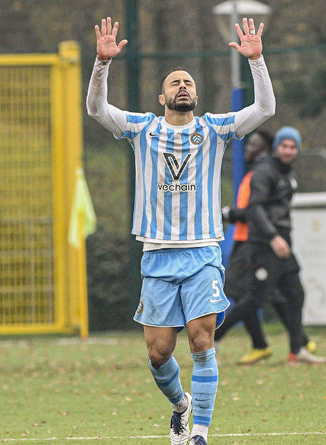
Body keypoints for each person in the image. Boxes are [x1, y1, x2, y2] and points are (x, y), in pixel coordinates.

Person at [86, 16, 274, 445]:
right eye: (174, 82)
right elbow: (96, 110)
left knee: (201, 339)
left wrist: (257, 62)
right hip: (156, 254)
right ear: (162, 96)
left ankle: (201, 433)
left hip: (203, 250)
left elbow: (265, 109)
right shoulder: (141, 128)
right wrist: (102, 64)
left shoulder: (215, 129)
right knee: (158, 353)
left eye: (188, 81)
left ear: (197, 93)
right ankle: (181, 406)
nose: (183, 86)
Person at [216, 126, 326, 365]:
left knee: (295, 293)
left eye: (293, 147)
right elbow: (254, 209)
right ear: (276, 148)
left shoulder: (286, 174)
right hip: (264, 245)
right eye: (285, 146)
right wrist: (273, 236)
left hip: (281, 244)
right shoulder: (264, 173)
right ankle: (211, 339)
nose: (288, 150)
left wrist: (280, 238)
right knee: (253, 299)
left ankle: (297, 350)